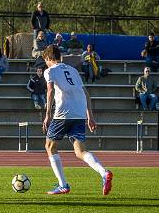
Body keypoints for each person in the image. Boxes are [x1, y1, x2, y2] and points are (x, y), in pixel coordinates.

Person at [42, 45, 113, 195]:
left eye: (45, 61)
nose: (46, 64)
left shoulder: (50, 71)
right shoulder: (73, 70)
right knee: (80, 151)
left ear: (48, 58)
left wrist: (47, 114)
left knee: (50, 146)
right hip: (79, 112)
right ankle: (104, 172)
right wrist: (90, 117)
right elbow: (86, 93)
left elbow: (50, 91)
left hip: (63, 113)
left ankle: (63, 185)